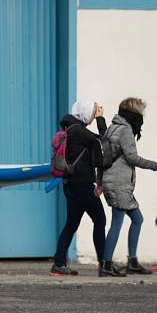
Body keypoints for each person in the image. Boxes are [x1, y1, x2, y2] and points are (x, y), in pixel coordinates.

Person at [100, 97, 157, 276]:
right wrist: (154, 165)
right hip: (120, 183)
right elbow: (132, 157)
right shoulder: (126, 129)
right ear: (134, 114)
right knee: (117, 223)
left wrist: (99, 182)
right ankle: (106, 265)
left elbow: (102, 157)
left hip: (111, 181)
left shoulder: (113, 127)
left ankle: (132, 262)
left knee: (137, 219)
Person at [51, 100, 108, 276]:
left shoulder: (70, 129)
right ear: (85, 112)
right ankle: (103, 265)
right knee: (100, 220)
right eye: (92, 111)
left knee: (71, 224)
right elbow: (103, 141)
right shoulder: (79, 131)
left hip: (70, 185)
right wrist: (101, 119)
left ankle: (58, 264)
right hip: (83, 185)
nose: (93, 114)